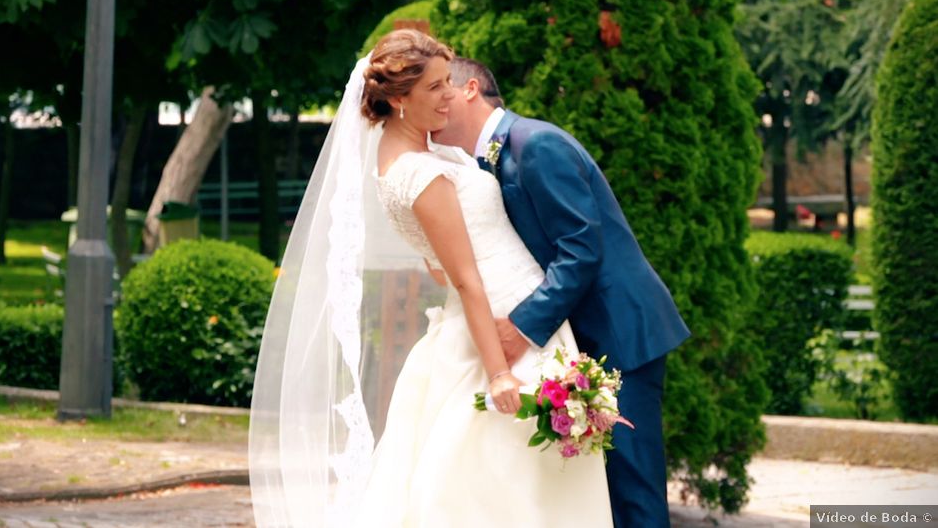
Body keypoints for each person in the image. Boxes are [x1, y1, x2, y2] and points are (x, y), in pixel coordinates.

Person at [249, 30, 613, 527]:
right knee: (509, 485)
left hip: (513, 315)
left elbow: (435, 264)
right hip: (502, 331)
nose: (452, 95)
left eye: (449, 82)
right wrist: (499, 372)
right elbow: (463, 279)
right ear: (399, 99)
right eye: (436, 88)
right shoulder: (421, 174)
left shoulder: (405, 162)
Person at [431, 57, 691, 527]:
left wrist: (522, 329)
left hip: (618, 334)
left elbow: (581, 250)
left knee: (631, 487)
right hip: (576, 336)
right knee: (593, 493)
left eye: (440, 89)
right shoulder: (480, 162)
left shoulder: (535, 143)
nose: (434, 103)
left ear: (470, 89)